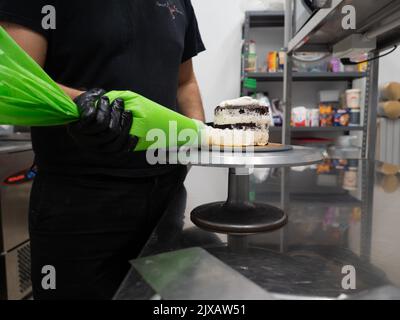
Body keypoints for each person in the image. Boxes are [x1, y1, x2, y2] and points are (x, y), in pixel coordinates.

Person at [0, 0, 205, 300]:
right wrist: (86, 104)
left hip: (167, 195)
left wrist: (198, 133)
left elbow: (185, 82)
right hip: (79, 203)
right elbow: (14, 76)